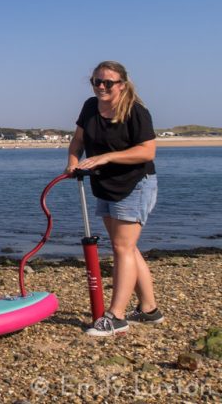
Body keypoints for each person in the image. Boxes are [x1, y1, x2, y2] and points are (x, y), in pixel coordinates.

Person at [66, 61, 162, 337]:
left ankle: (116, 317)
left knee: (122, 248)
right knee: (127, 248)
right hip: (104, 184)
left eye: (108, 82)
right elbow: (78, 141)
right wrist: (73, 162)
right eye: (97, 81)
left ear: (122, 84)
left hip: (134, 184)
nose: (102, 87)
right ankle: (149, 309)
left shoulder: (136, 111)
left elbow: (147, 152)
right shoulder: (90, 107)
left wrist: (107, 157)